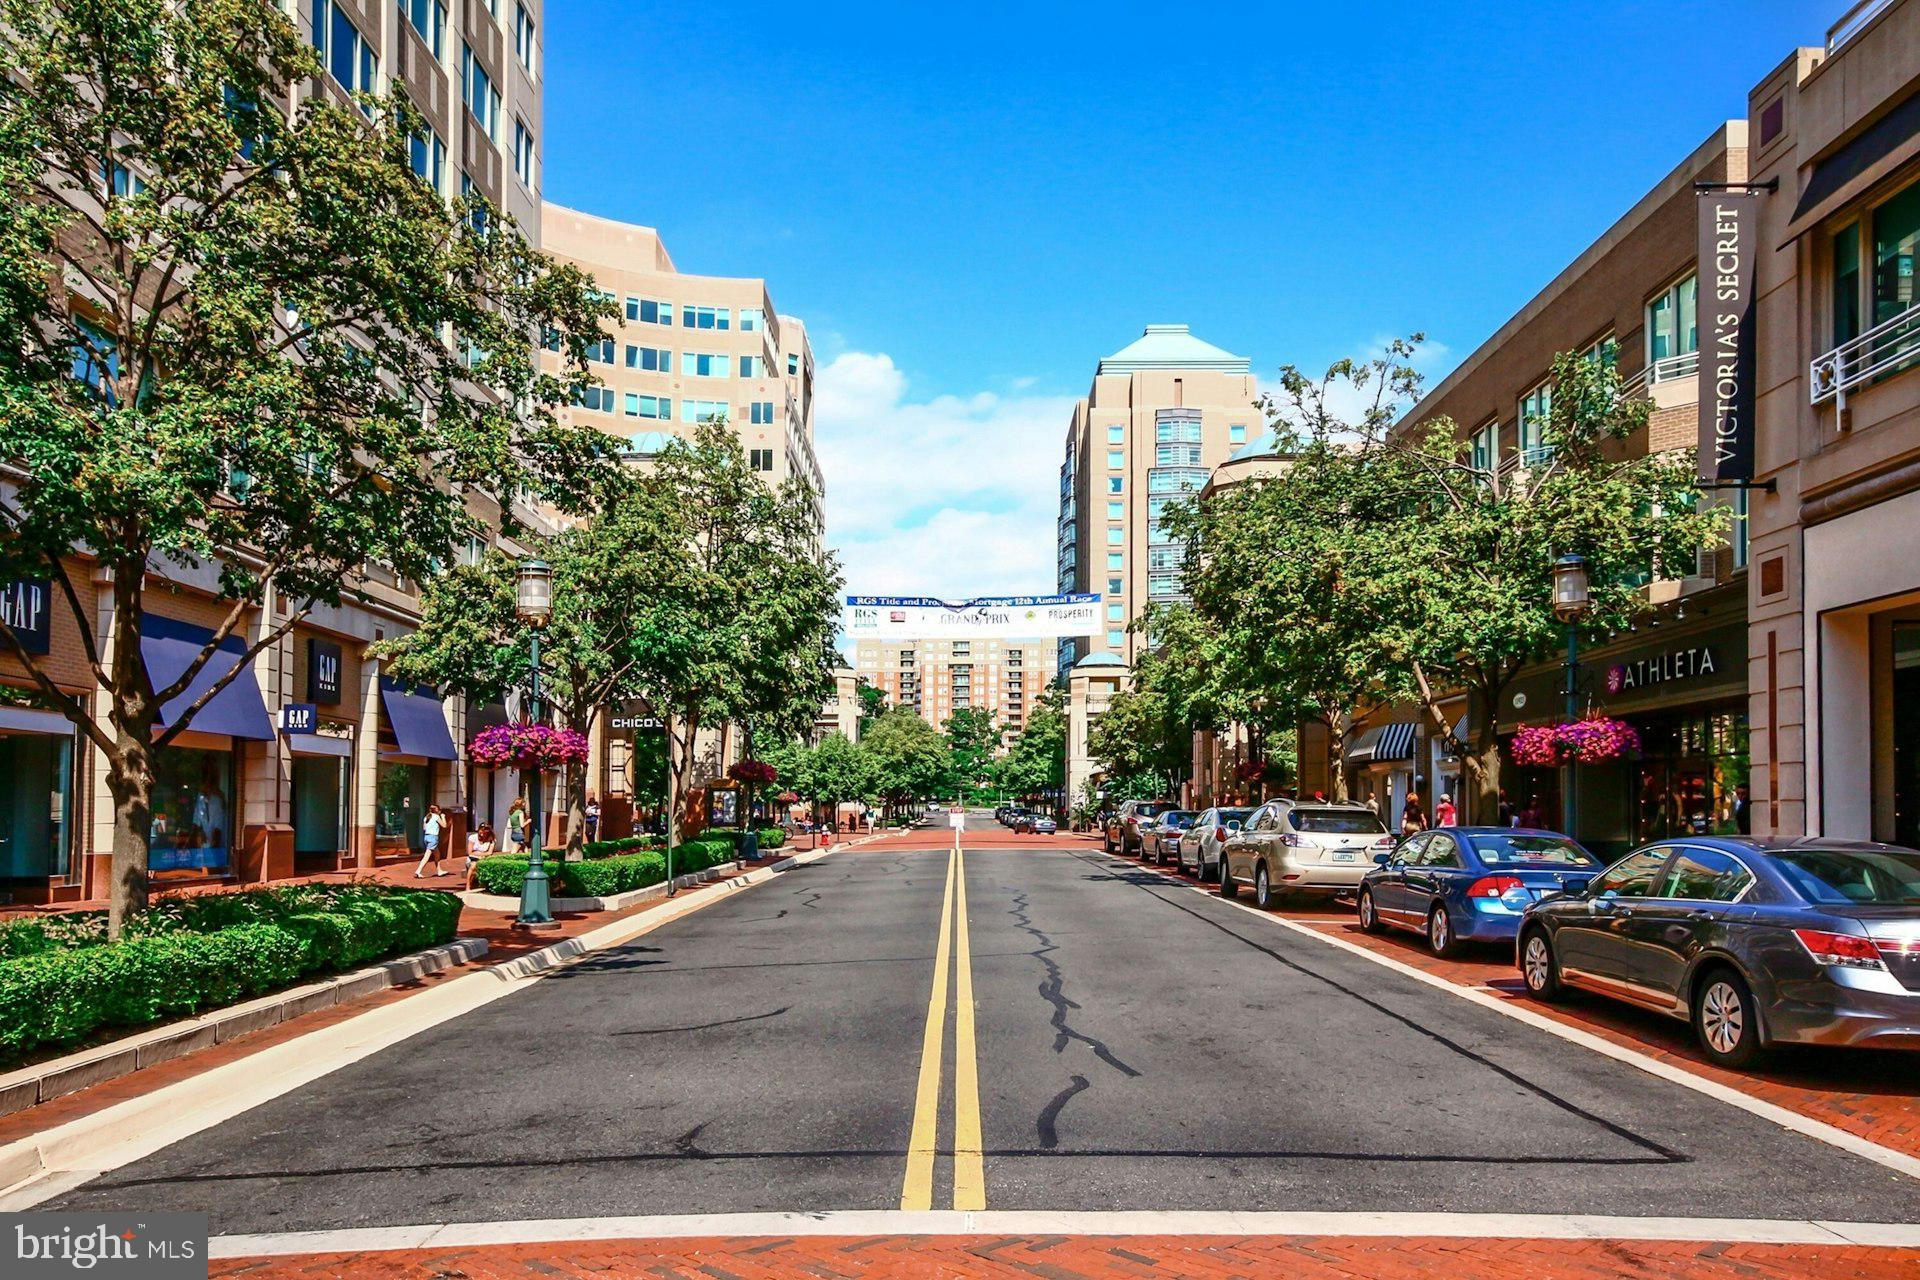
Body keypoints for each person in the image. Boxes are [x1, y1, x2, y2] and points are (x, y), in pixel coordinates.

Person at [414, 804, 446, 878]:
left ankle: (439, 871)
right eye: (438, 809)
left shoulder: (426, 817)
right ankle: (418, 871)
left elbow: (424, 828)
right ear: (436, 810)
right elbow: (444, 825)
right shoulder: (436, 817)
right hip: (433, 838)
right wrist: (443, 817)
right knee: (427, 856)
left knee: (437, 854)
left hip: (427, 837)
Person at [465, 821, 496, 889]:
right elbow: (470, 852)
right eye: (481, 830)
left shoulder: (491, 840)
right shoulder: (473, 837)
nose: (482, 833)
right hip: (473, 858)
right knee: (473, 866)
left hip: (484, 859)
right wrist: (482, 854)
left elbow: (490, 853)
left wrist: (478, 852)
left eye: (485, 831)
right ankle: (468, 885)